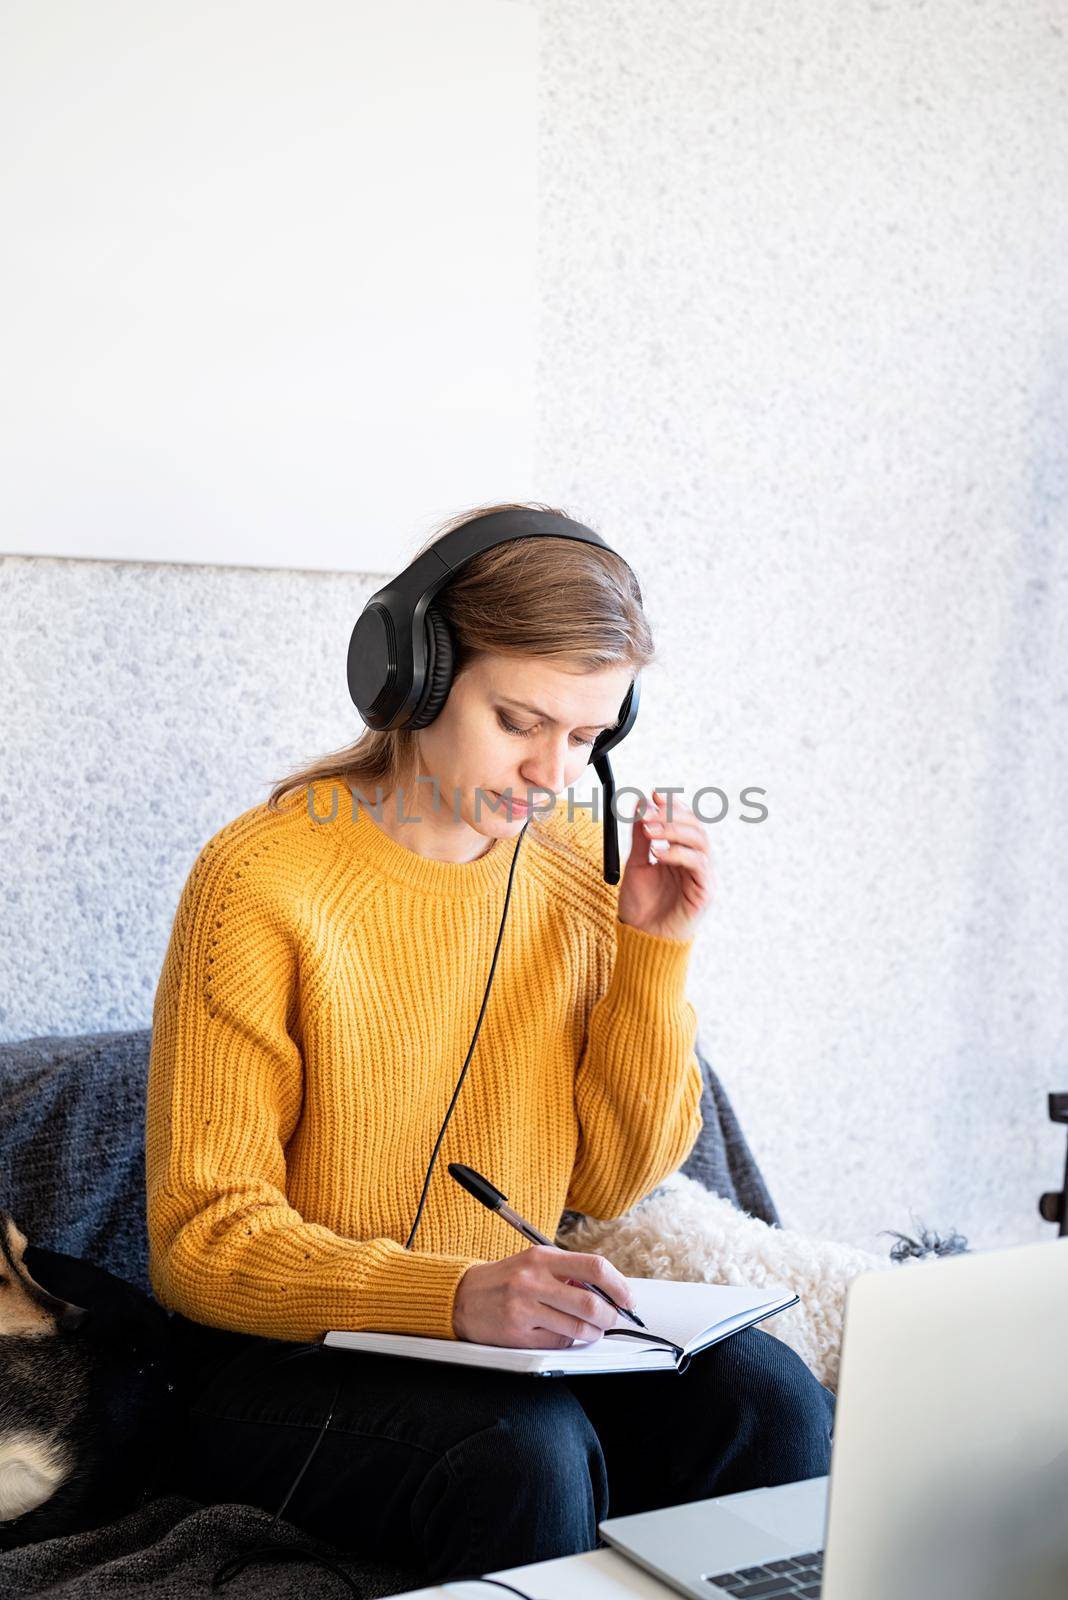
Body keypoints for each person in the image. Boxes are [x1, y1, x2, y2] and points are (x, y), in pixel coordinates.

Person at [146, 500, 833, 1585]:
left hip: (501, 1351)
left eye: (587, 736)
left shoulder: (570, 864)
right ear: (413, 676)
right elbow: (202, 1240)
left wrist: (654, 953)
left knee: (771, 1399)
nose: (552, 774)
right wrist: (454, 1296)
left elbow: (609, 1178)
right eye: (520, 722)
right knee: (522, 1453)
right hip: (275, 1365)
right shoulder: (260, 880)